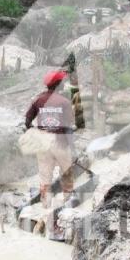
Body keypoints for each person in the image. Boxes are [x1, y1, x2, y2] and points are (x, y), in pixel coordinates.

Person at [25, 71, 76, 210]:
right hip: (60, 142)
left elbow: (27, 121)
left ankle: (45, 206)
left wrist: (36, 132)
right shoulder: (64, 102)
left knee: (45, 175)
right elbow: (68, 127)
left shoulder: (37, 100)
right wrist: (72, 147)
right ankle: (67, 203)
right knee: (66, 172)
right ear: (59, 85)